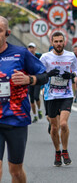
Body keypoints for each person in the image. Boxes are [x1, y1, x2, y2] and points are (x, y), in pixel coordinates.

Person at [0, 16, 48, 183]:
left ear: (7, 33)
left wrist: (30, 80)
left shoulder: (20, 54)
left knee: (16, 171)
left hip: (16, 119)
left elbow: (44, 75)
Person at [40, 31, 77, 167]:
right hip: (50, 96)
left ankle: (65, 150)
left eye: (60, 41)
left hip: (66, 95)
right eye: (56, 41)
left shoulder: (71, 55)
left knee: (63, 124)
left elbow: (76, 70)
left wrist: (72, 75)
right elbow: (39, 72)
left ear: (64, 42)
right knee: (54, 127)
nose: (58, 44)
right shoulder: (45, 57)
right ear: (52, 43)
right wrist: (48, 74)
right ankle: (57, 151)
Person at [27, 42, 43, 122]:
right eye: (30, 48)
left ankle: (39, 110)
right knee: (32, 100)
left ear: (35, 49)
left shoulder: (39, 56)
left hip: (37, 79)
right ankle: (35, 115)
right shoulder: (26, 57)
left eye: (32, 48)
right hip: (29, 81)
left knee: (37, 97)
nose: (31, 49)